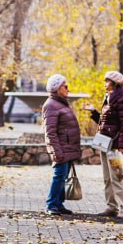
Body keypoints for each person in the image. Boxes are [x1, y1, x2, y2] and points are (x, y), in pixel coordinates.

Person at [95, 70, 123, 218]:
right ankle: (111, 206)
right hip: (104, 142)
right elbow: (106, 122)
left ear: (114, 83)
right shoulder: (108, 98)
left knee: (117, 177)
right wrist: (94, 113)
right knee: (107, 177)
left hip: (115, 145)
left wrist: (122, 146)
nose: (105, 84)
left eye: (107, 81)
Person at [42, 74, 80, 215]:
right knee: (59, 176)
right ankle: (51, 204)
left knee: (63, 176)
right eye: (65, 86)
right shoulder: (51, 105)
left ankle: (59, 204)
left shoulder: (61, 103)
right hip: (61, 149)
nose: (68, 88)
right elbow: (50, 132)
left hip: (67, 147)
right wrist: (56, 151)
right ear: (57, 88)